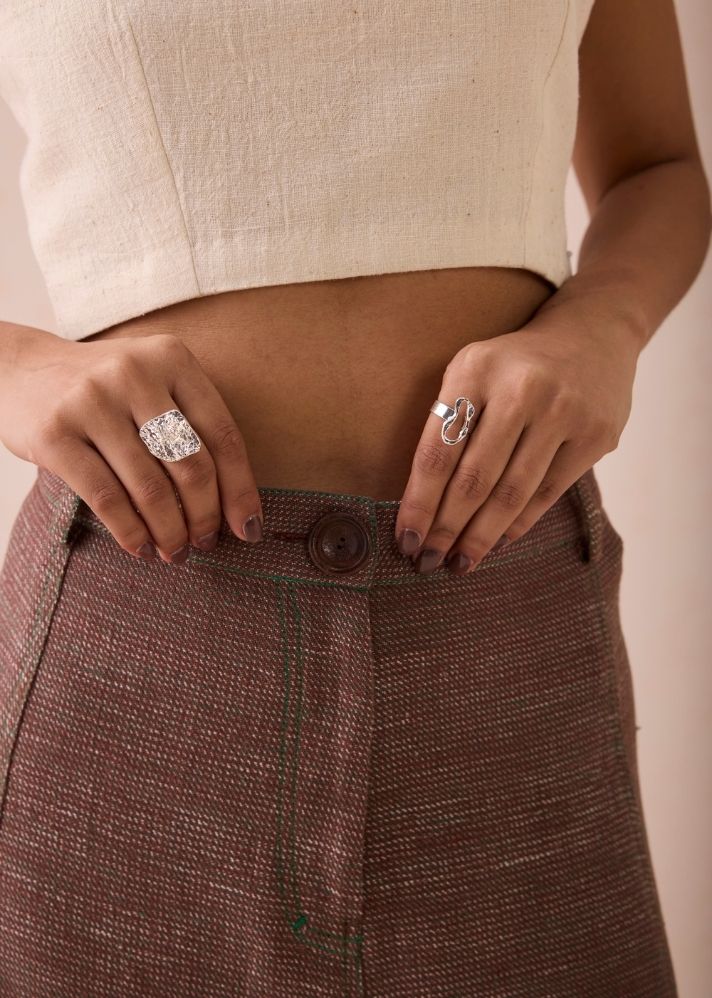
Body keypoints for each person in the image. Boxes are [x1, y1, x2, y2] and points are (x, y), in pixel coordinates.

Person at [0, 1, 708, 995]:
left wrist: (603, 325)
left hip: (506, 635)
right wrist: (13, 366)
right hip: (140, 643)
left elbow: (656, 166)